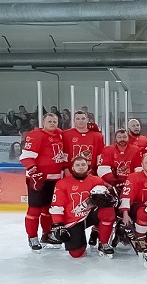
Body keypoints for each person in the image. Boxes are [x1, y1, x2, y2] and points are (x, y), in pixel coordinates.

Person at [48, 155, 116, 258]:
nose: (81, 167)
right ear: (73, 168)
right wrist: (58, 225)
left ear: (87, 166)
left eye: (83, 164)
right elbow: (57, 206)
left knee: (107, 210)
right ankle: (83, 238)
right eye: (78, 165)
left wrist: (109, 198)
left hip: (90, 214)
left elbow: (108, 198)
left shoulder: (97, 181)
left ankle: (104, 243)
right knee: (76, 254)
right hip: (73, 219)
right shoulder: (62, 183)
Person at [20, 112, 68, 251]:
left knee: (49, 209)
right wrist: (33, 171)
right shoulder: (36, 135)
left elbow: (62, 155)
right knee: (34, 209)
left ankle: (46, 235)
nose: (52, 124)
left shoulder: (60, 134)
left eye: (55, 121)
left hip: (56, 179)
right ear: (43, 122)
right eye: (50, 121)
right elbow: (26, 157)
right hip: (39, 178)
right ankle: (32, 237)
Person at [119, 153, 147, 251]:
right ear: (142, 165)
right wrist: (125, 212)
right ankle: (140, 240)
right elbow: (127, 194)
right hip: (137, 206)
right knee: (143, 212)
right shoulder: (134, 177)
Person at [62, 110, 105, 174]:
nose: (80, 121)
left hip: (91, 173)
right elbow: (64, 153)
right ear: (74, 120)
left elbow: (100, 155)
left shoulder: (97, 136)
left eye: (83, 118)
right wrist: (66, 169)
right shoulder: (66, 134)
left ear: (87, 120)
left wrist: (97, 170)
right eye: (78, 119)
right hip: (71, 173)